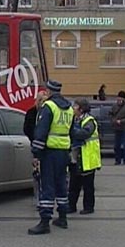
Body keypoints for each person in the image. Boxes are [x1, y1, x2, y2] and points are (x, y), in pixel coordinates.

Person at [28, 80, 74, 235]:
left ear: (48, 91)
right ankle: (62, 217)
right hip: (63, 151)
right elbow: (72, 131)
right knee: (61, 184)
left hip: (49, 152)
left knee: (46, 185)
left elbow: (41, 132)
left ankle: (44, 221)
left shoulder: (48, 107)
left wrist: (36, 154)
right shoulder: (69, 108)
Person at [67, 98, 102, 215]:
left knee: (88, 186)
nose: (73, 108)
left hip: (87, 158)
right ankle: (71, 206)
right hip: (76, 157)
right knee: (73, 184)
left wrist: (71, 131)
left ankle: (88, 207)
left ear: (81, 109)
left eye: (75, 106)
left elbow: (84, 134)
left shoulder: (89, 121)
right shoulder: (74, 119)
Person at [23, 90, 48, 206]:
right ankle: (38, 198)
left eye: (45, 100)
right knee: (37, 174)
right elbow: (27, 129)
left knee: (47, 174)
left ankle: (47, 198)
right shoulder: (31, 113)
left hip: (48, 147)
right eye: (41, 100)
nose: (42, 103)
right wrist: (35, 139)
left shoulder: (48, 112)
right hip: (36, 146)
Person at [109, 90, 125, 165]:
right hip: (116, 128)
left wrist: (121, 121)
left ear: (123, 99)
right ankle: (117, 160)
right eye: (118, 99)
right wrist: (113, 120)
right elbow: (110, 114)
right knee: (116, 146)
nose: (119, 100)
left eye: (120, 99)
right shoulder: (114, 106)